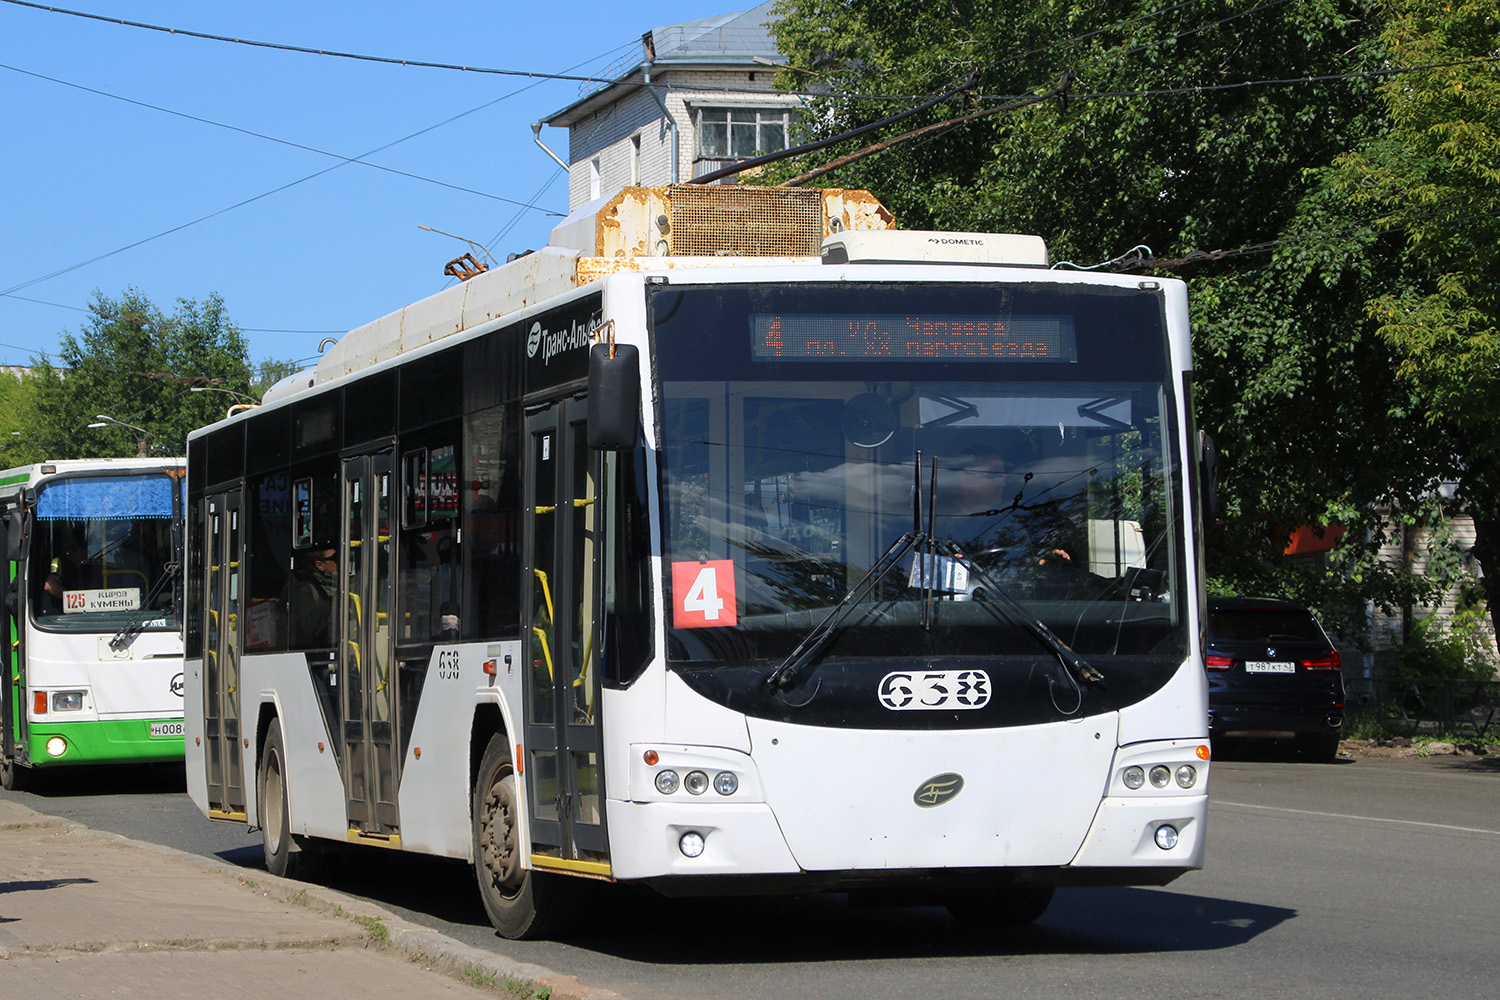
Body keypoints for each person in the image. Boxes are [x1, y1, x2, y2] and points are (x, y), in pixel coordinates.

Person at [291, 547, 338, 647]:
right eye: (335, 558)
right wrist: (330, 600)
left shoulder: (347, 585)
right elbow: (309, 629)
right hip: (321, 653)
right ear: (320, 565)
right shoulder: (307, 590)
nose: (340, 561)